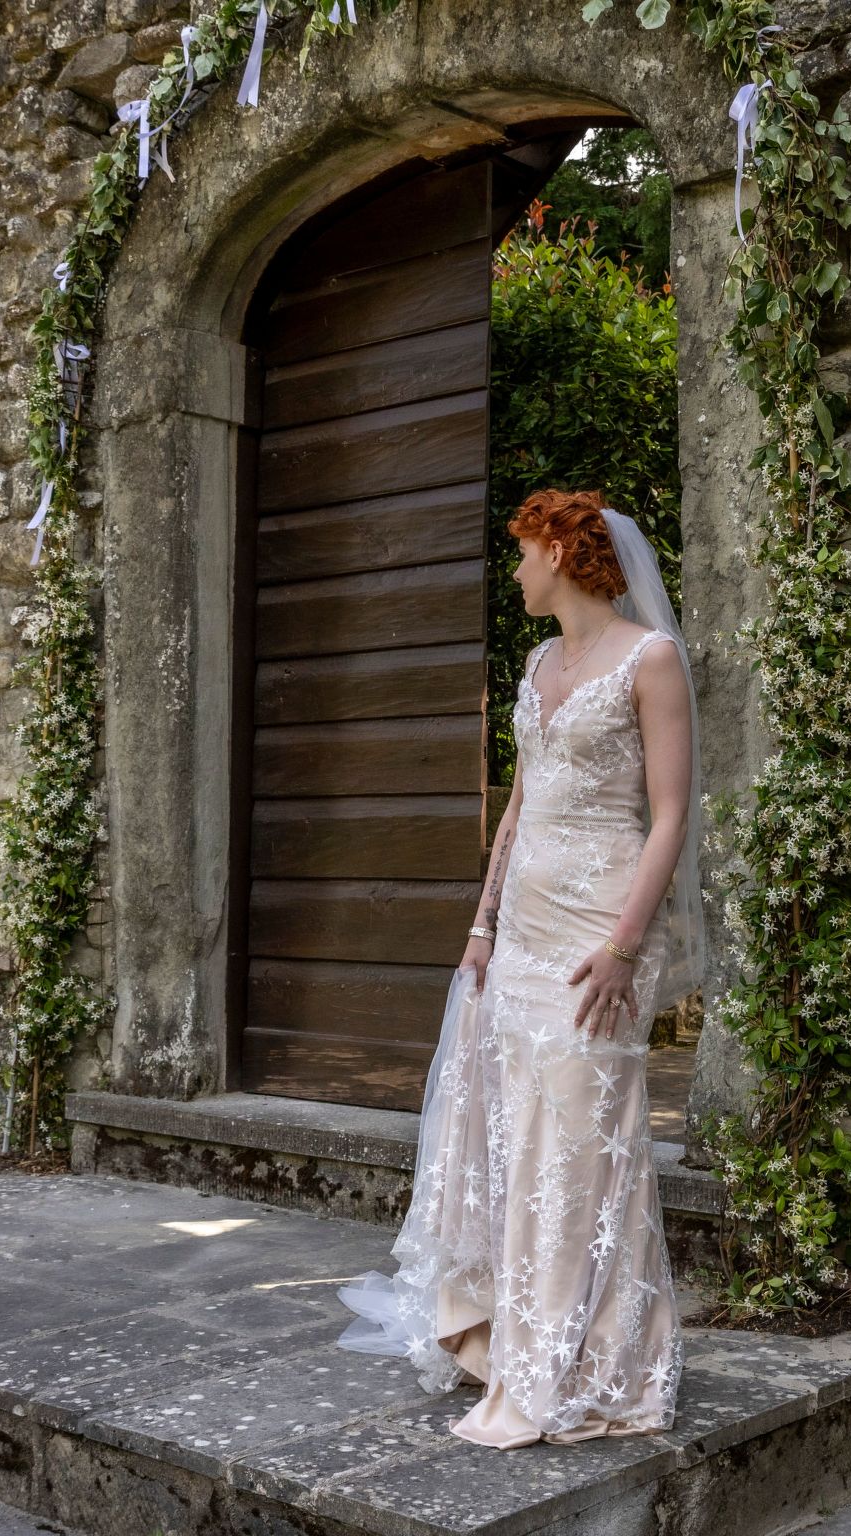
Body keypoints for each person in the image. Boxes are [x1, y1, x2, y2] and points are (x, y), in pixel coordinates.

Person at [334, 488, 706, 1448]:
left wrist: (625, 945)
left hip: (602, 926)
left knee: (585, 1142)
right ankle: (521, 1343)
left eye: (522, 553)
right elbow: (518, 809)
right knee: (516, 1138)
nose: (514, 571)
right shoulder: (540, 661)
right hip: (527, 925)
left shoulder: (650, 659)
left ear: (560, 550)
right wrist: (481, 927)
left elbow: (669, 814)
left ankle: (593, 1359)